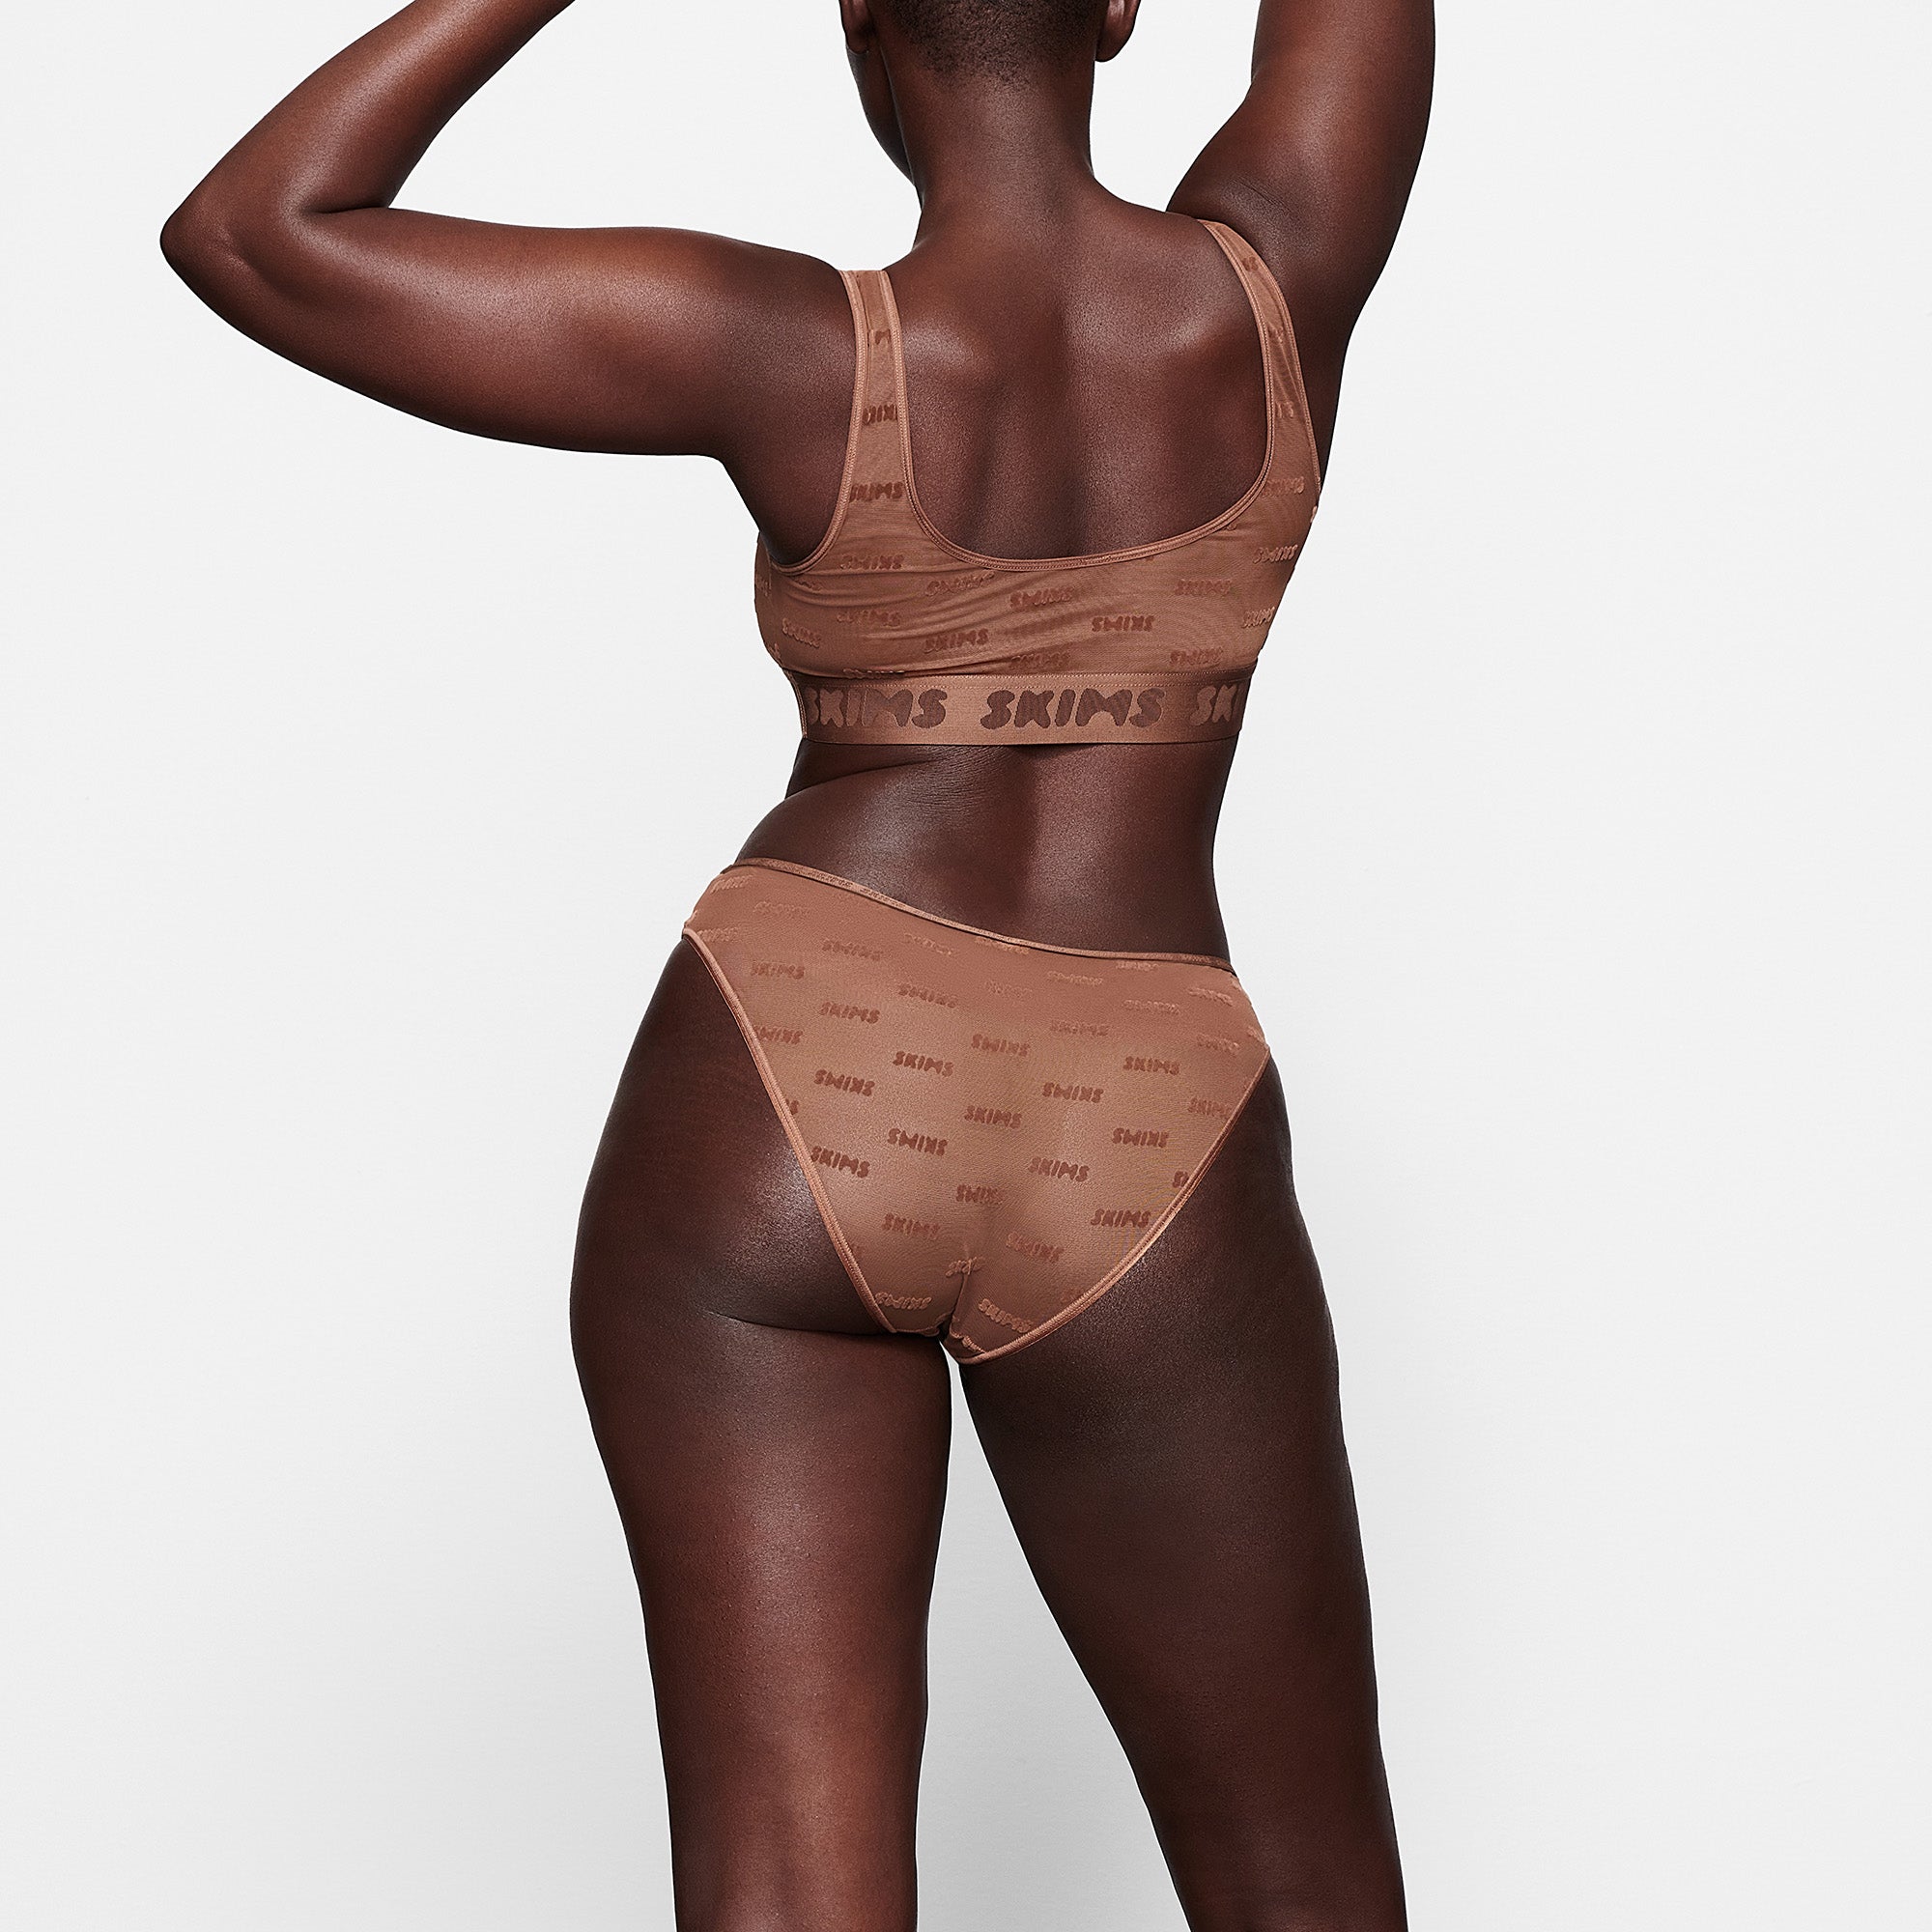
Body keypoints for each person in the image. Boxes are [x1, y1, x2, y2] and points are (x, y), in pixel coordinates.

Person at [162, 0, 1434, 1923]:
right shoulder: (1273, 284)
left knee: (789, 1887)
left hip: (792, 1062)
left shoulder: (789, 348)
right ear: (1117, 10)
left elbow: (258, 231)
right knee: (1303, 1874)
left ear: (857, 27)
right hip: (1145, 1114)